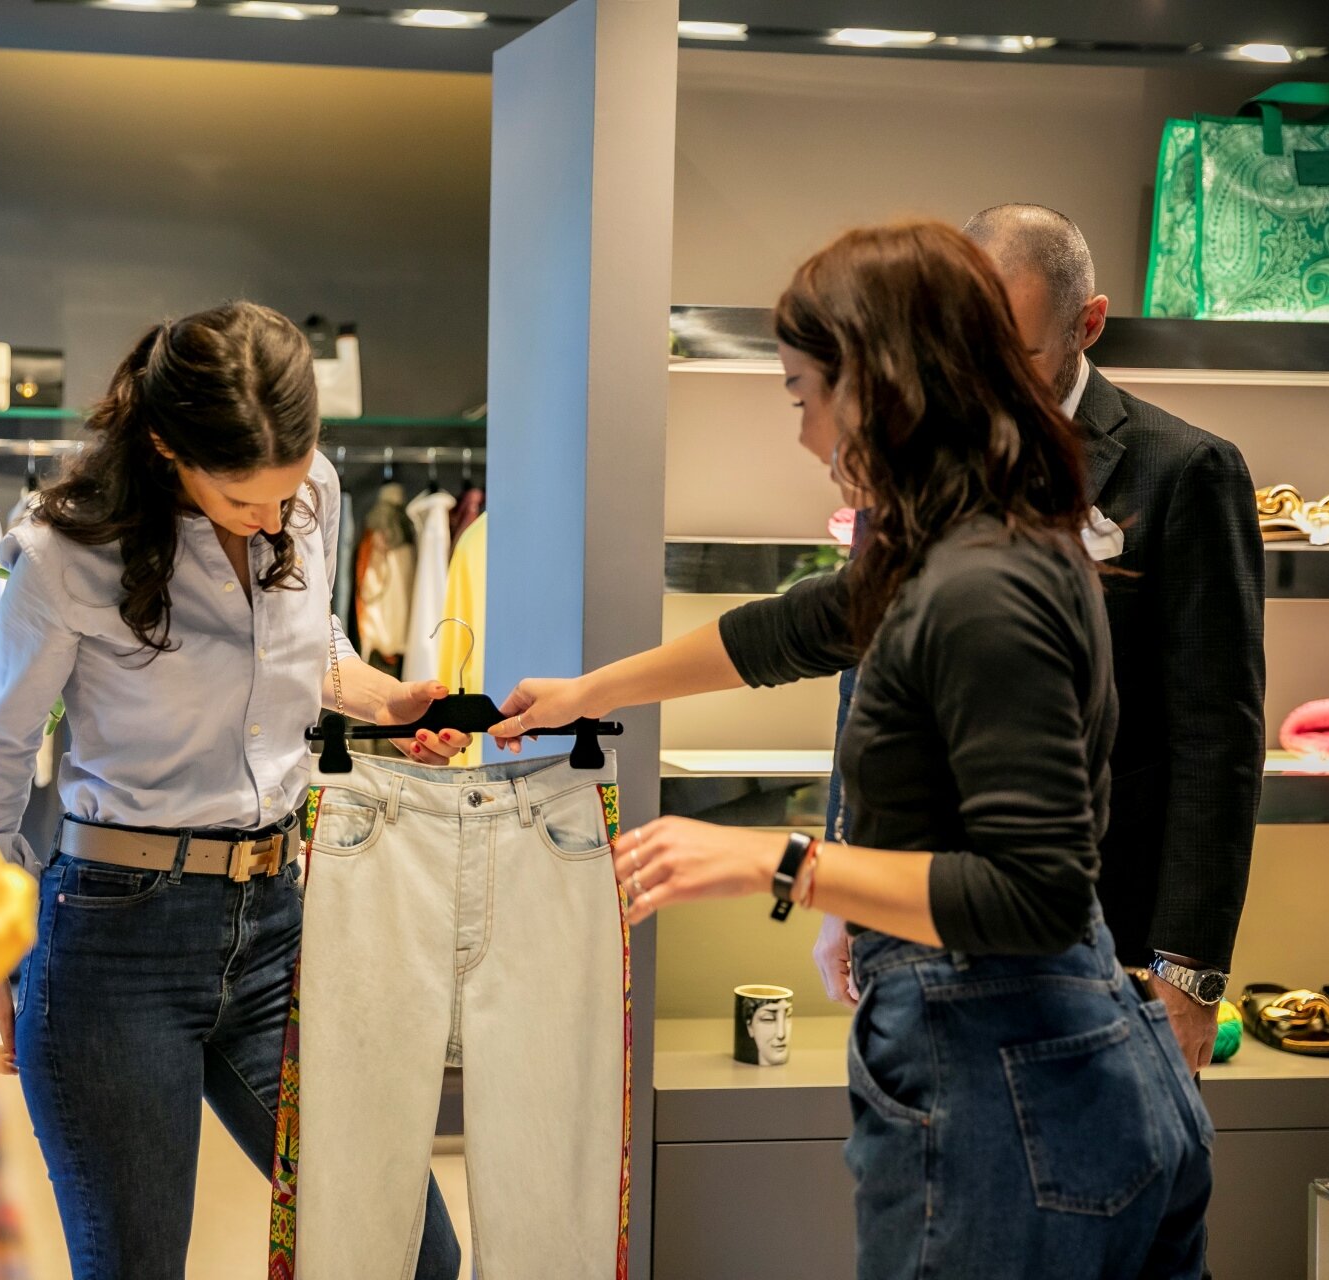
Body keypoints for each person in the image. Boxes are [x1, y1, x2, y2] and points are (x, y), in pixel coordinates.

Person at [493, 223, 1212, 1278]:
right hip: (1055, 1072)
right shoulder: (966, 541)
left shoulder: (980, 587)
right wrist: (593, 690)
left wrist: (777, 863)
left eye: (801, 393)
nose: (800, 431)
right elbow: (798, 626)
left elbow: (1037, 888)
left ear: (884, 387)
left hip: (1011, 1093)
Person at [0, 302, 467, 1278]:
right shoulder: (69, 552)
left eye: (287, 491)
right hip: (117, 945)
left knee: (412, 1248)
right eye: (245, 499)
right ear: (164, 447)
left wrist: (390, 702)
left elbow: (309, 649)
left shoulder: (306, 487)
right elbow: (0, 752)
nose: (276, 516)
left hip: (275, 925)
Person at [810, 207, 1265, 1072]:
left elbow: (1218, 735)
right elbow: (864, 687)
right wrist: (842, 887)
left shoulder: (1186, 471)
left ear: (1087, 323)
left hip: (1099, 938)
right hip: (916, 925)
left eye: (1014, 352)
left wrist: (1190, 973)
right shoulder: (907, 458)